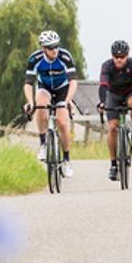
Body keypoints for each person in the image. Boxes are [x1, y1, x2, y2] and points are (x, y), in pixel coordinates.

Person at [22, 30, 77, 176]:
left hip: (62, 89)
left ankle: (66, 160)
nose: (55, 50)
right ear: (43, 48)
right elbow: (28, 83)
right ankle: (43, 144)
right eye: (51, 47)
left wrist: (68, 101)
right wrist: (30, 102)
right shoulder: (35, 59)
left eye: (56, 46)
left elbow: (73, 81)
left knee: (62, 122)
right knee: (40, 106)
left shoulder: (65, 57)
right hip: (44, 88)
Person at [97, 39, 132, 181]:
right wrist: (102, 103)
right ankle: (113, 165)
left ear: (127, 56)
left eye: (122, 57)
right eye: (116, 57)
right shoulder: (107, 66)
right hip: (114, 94)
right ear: (112, 56)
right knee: (112, 128)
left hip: (130, 92)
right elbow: (103, 86)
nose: (119, 60)